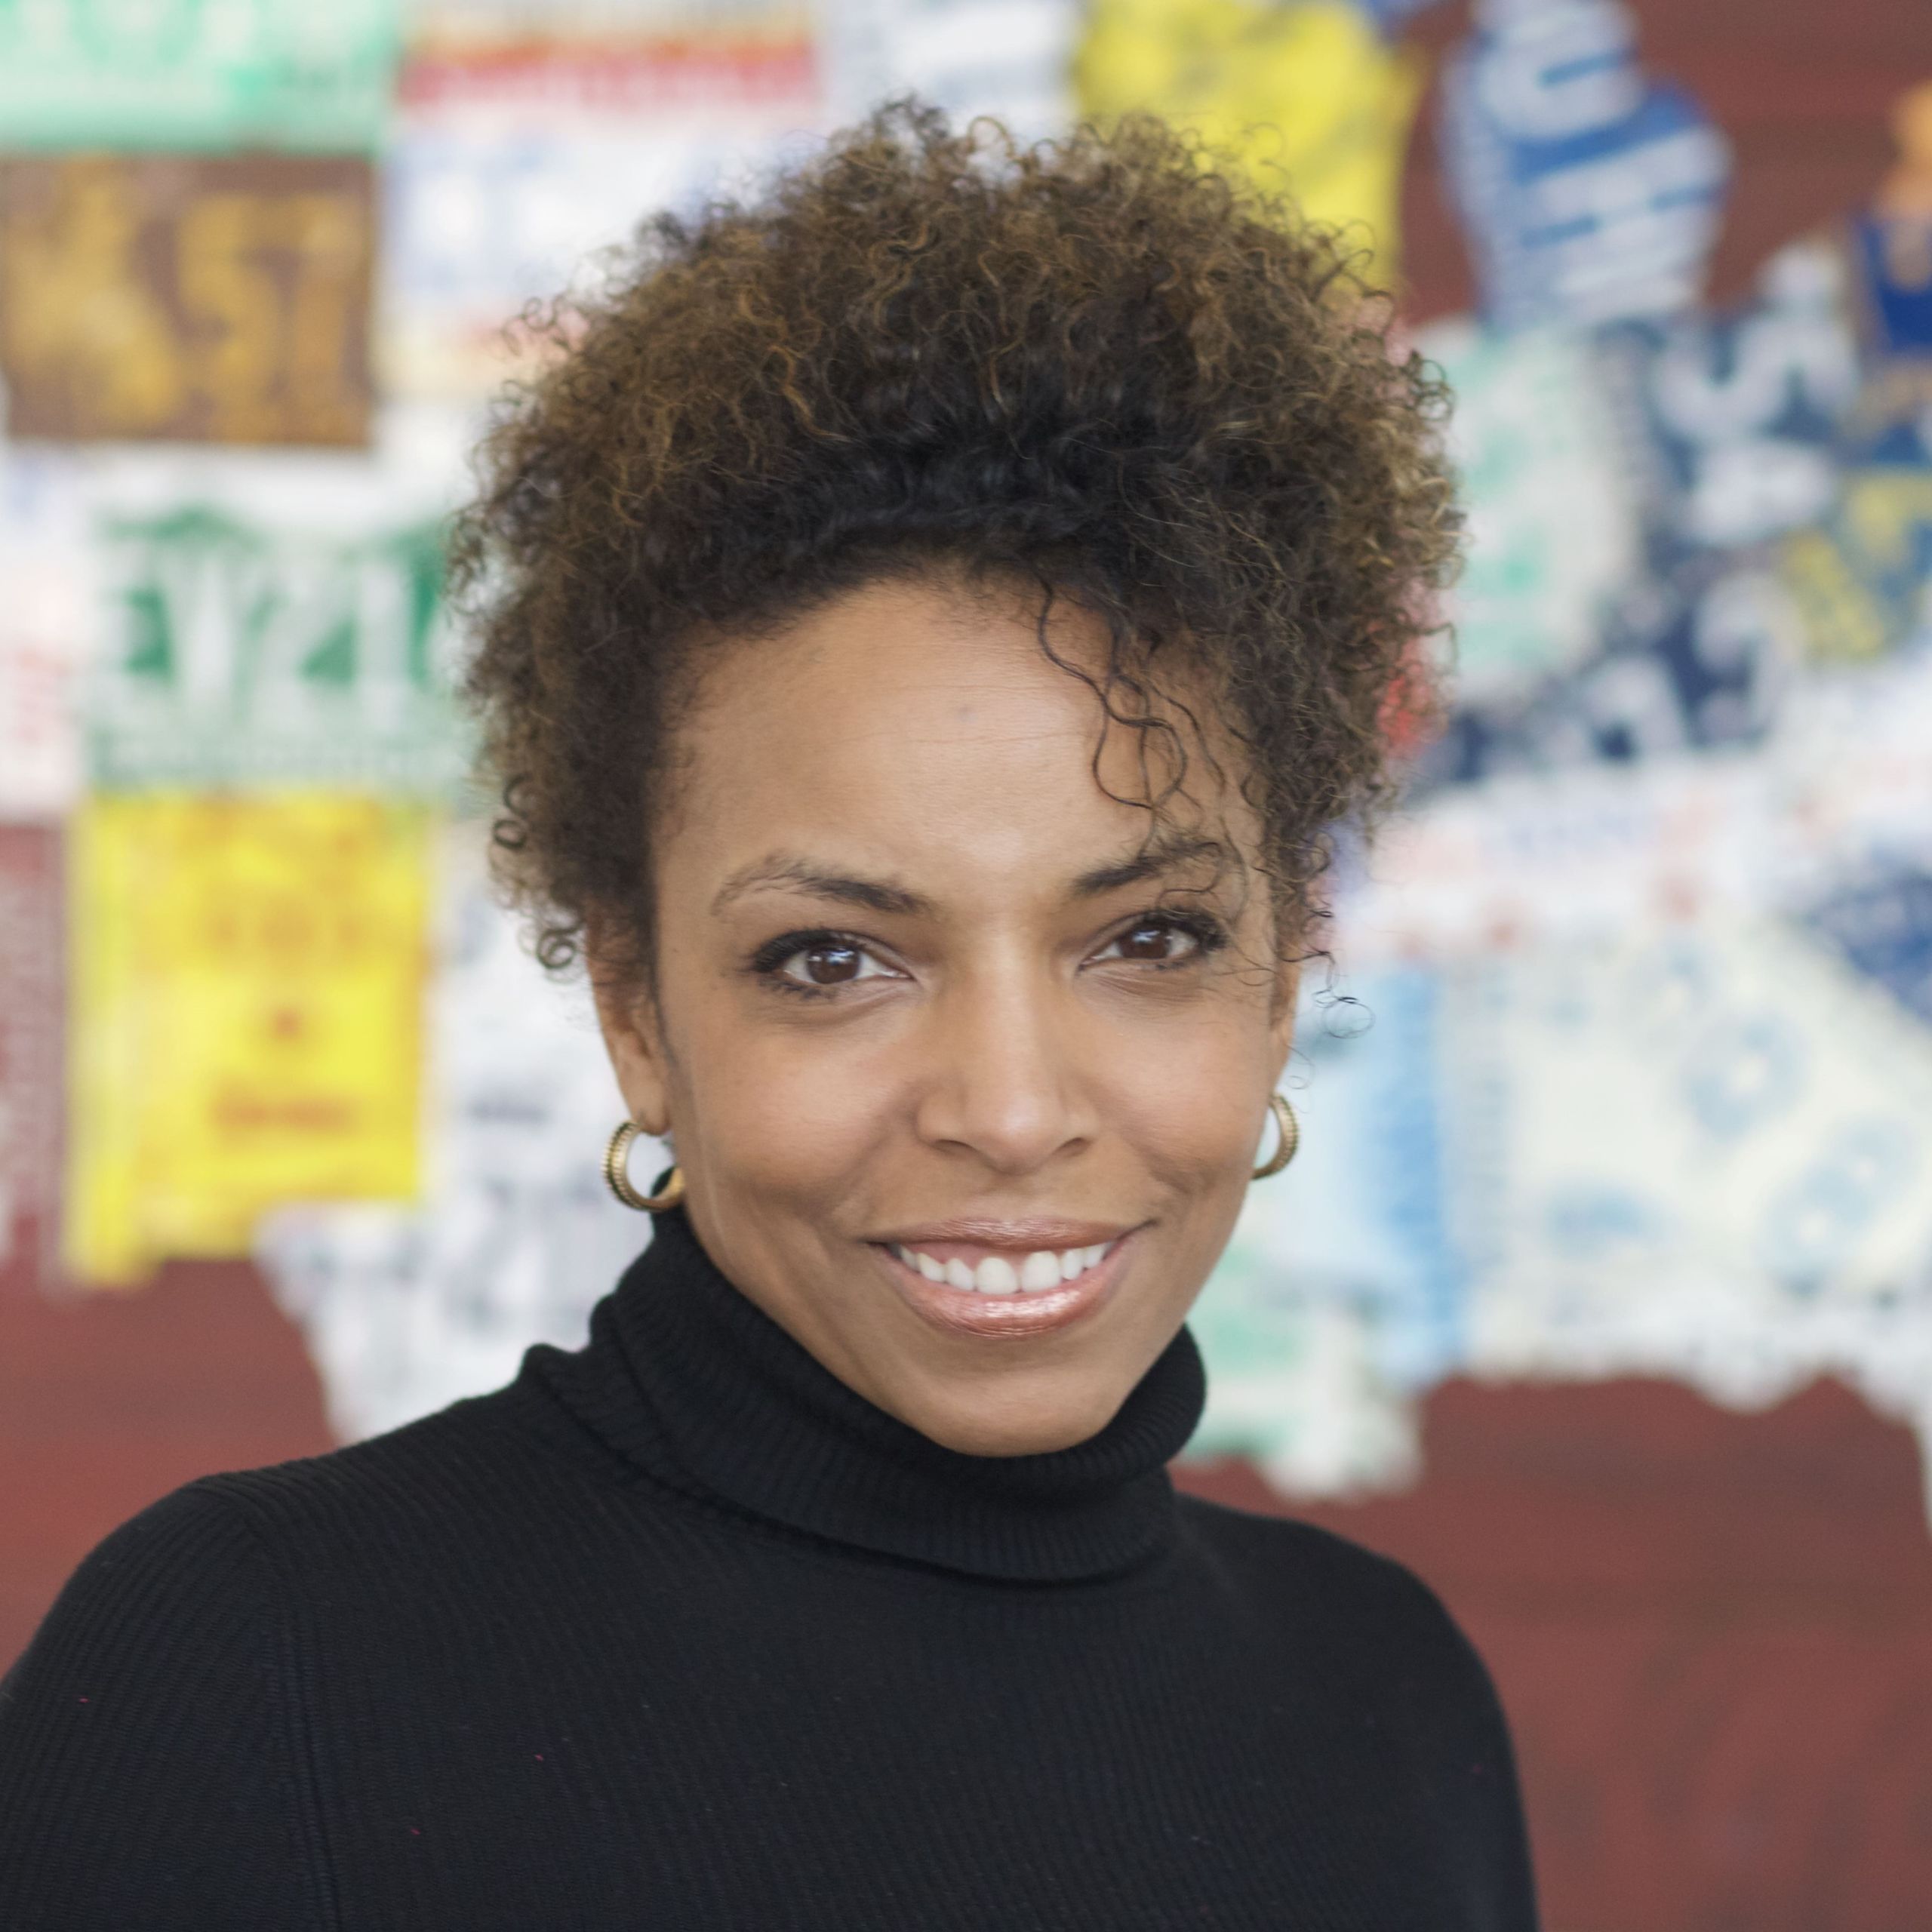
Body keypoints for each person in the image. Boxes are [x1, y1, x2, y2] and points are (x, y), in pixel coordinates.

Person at [0, 106, 1537, 1928]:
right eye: (834, 957)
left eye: (1146, 937)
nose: (1012, 1105)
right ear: (637, 1008)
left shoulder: (1385, 1697)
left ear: (1287, 966)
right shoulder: (256, 1676)